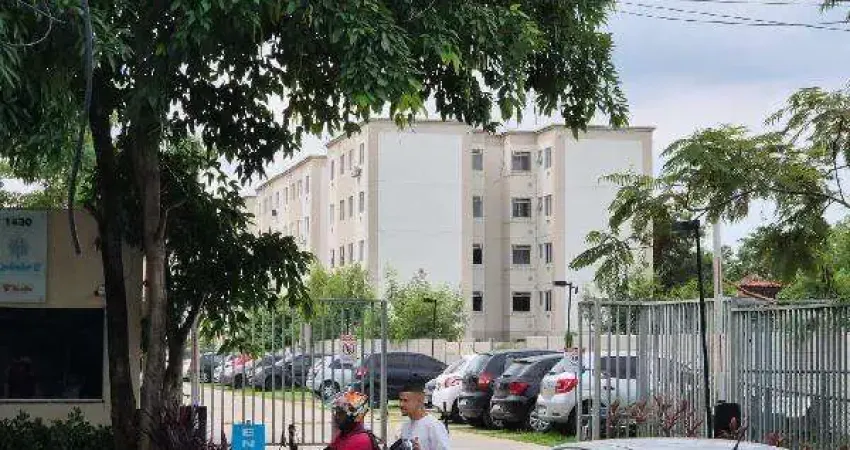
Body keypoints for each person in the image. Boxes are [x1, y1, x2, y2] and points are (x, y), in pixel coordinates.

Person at [397, 381, 450, 450]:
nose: (401, 404)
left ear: (420, 401)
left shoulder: (433, 425)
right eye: (400, 400)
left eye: (405, 400)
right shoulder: (405, 425)